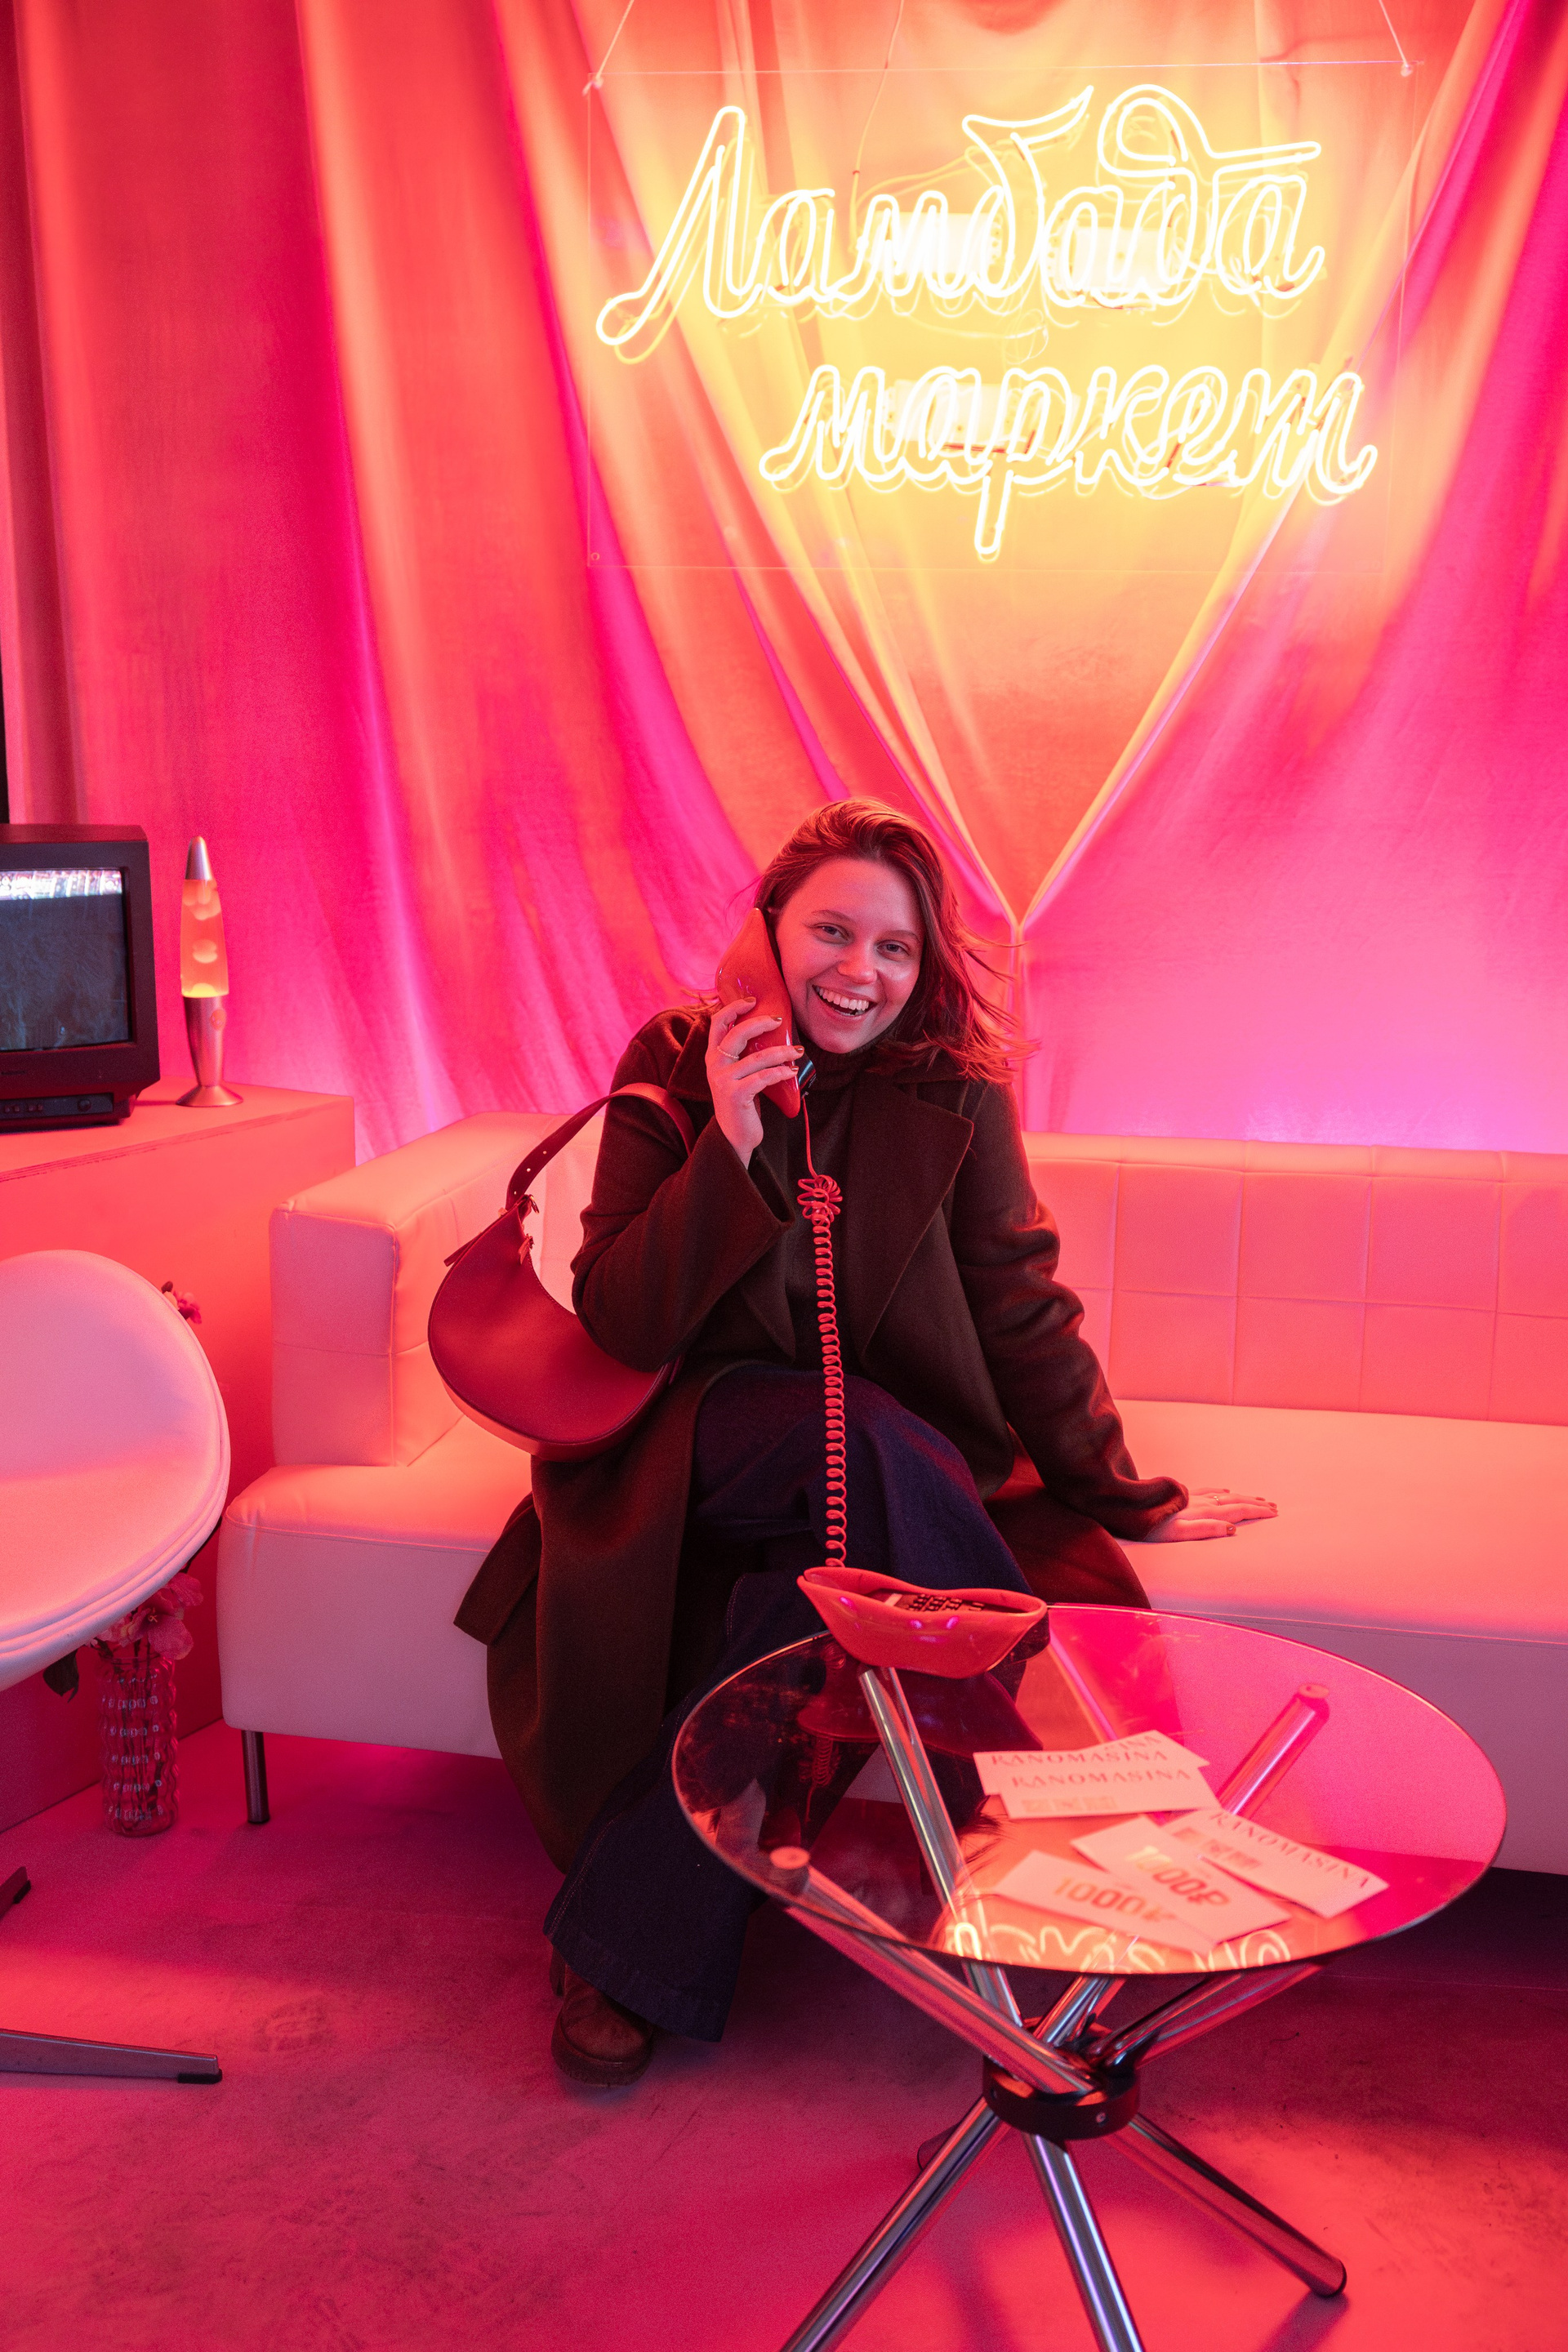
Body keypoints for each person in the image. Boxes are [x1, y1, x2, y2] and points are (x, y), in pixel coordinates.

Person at [456, 800, 1274, 2087]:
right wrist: (730, 1141)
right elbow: (623, 1315)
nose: (861, 971)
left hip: (881, 1466)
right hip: (702, 1434)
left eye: (895, 947)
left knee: (818, 1598)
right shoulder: (676, 1055)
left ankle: (624, 1941)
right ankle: (1094, 1802)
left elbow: (1018, 1300)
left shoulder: (952, 1085)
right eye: (832, 932)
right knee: (874, 1443)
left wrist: (1119, 1486)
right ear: (770, 929)